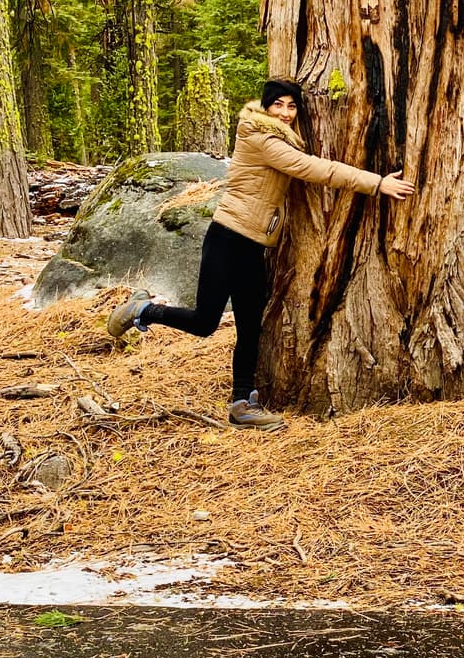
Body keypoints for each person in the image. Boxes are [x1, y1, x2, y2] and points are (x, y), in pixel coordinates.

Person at [107, 78, 415, 428]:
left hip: (254, 245)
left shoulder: (277, 137)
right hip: (227, 238)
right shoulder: (260, 138)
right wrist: (377, 183)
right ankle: (143, 310)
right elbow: (313, 169)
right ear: (265, 107)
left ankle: (242, 404)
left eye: (292, 106)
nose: (285, 113)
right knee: (206, 321)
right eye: (278, 105)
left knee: (251, 327)